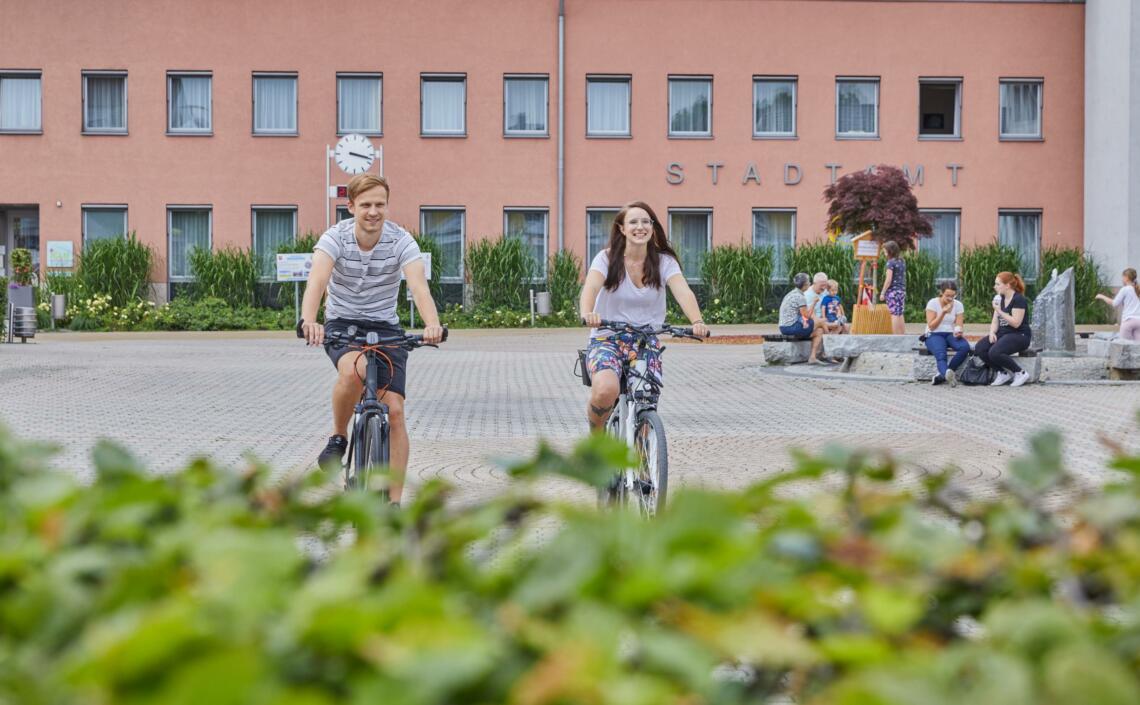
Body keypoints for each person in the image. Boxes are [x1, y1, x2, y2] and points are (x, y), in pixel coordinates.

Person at [299, 173, 444, 504]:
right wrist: (309, 320)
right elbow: (317, 282)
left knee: (395, 412)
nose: (373, 211)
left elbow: (419, 287)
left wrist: (432, 323)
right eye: (365, 204)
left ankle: (393, 503)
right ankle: (339, 436)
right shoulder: (335, 238)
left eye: (380, 204)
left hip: (386, 328)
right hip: (343, 325)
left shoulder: (400, 241)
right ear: (350, 207)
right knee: (353, 371)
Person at [579, 201, 709, 431]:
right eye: (633, 222)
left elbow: (683, 291)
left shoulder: (664, 262)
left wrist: (697, 321)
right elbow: (590, 287)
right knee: (605, 390)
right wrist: (588, 313)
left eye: (645, 221)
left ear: (652, 226)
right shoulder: (606, 259)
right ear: (622, 229)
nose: (640, 227)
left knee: (645, 403)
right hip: (607, 337)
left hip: (645, 340)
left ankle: (643, 460)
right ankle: (597, 440)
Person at [974, 271, 1032, 387]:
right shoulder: (999, 298)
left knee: (995, 352)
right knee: (980, 348)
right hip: (1004, 333)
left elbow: (1016, 323)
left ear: (1007, 285)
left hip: (1020, 335)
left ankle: (1020, 373)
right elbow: (995, 320)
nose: (995, 287)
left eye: (997, 284)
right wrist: (992, 332)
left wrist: (999, 311)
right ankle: (1002, 373)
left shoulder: (1018, 299)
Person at [923, 280, 970, 386]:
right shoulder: (933, 303)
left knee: (964, 347)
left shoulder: (958, 305)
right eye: (947, 295)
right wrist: (943, 312)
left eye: (953, 296)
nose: (950, 299)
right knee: (941, 353)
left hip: (950, 333)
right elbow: (931, 325)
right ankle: (946, 373)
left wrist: (958, 331)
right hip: (934, 333)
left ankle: (946, 373)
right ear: (941, 293)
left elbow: (959, 324)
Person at [778, 272, 828, 364]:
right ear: (805, 285)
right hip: (791, 327)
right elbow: (807, 316)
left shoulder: (791, 293)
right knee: (821, 322)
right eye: (809, 282)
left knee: (819, 331)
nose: (810, 284)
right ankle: (830, 347)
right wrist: (814, 303)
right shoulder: (800, 297)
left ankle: (812, 357)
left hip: (783, 327)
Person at [1094, 267, 1140, 341]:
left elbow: (1114, 303)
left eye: (1123, 277)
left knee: (1125, 347)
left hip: (1128, 322)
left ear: (1126, 277)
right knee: (1137, 349)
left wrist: (1101, 296)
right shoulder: (1137, 289)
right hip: (1139, 321)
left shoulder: (1125, 289)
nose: (1122, 279)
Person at [879, 241, 906, 334]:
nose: (884, 253)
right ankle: (902, 335)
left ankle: (895, 336)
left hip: (893, 291)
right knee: (900, 313)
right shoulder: (902, 261)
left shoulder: (890, 263)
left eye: (885, 251)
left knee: (894, 313)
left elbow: (888, 279)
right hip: (901, 290)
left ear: (890, 251)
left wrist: (882, 292)